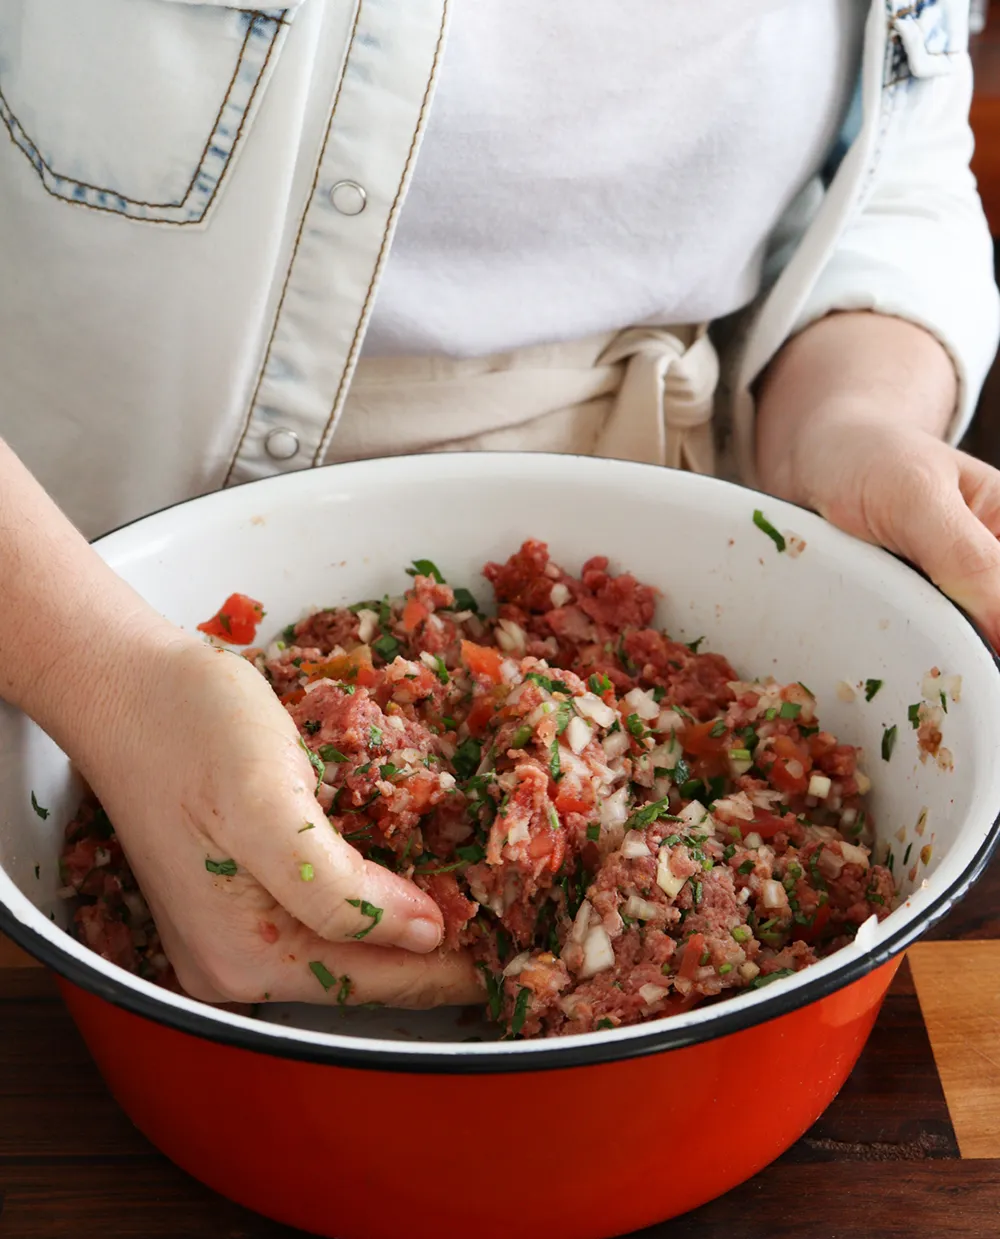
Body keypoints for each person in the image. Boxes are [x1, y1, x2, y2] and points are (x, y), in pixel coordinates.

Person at [1, 0, 997, 1010]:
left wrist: (849, 419)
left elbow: (889, 155)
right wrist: (104, 681)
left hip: (679, 485)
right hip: (64, 585)